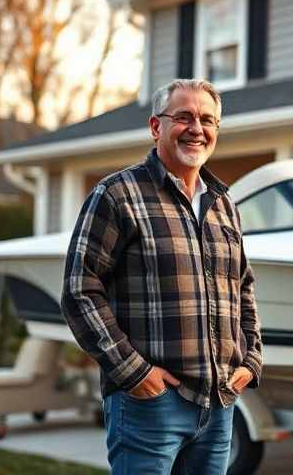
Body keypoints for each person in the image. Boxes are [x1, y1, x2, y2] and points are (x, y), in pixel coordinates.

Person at [61, 78, 263, 475]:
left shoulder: (224, 205)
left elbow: (243, 287)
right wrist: (135, 374)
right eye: (183, 117)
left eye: (207, 120)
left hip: (219, 405)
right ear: (157, 127)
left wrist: (251, 360)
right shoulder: (117, 195)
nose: (197, 129)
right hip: (149, 406)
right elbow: (79, 291)